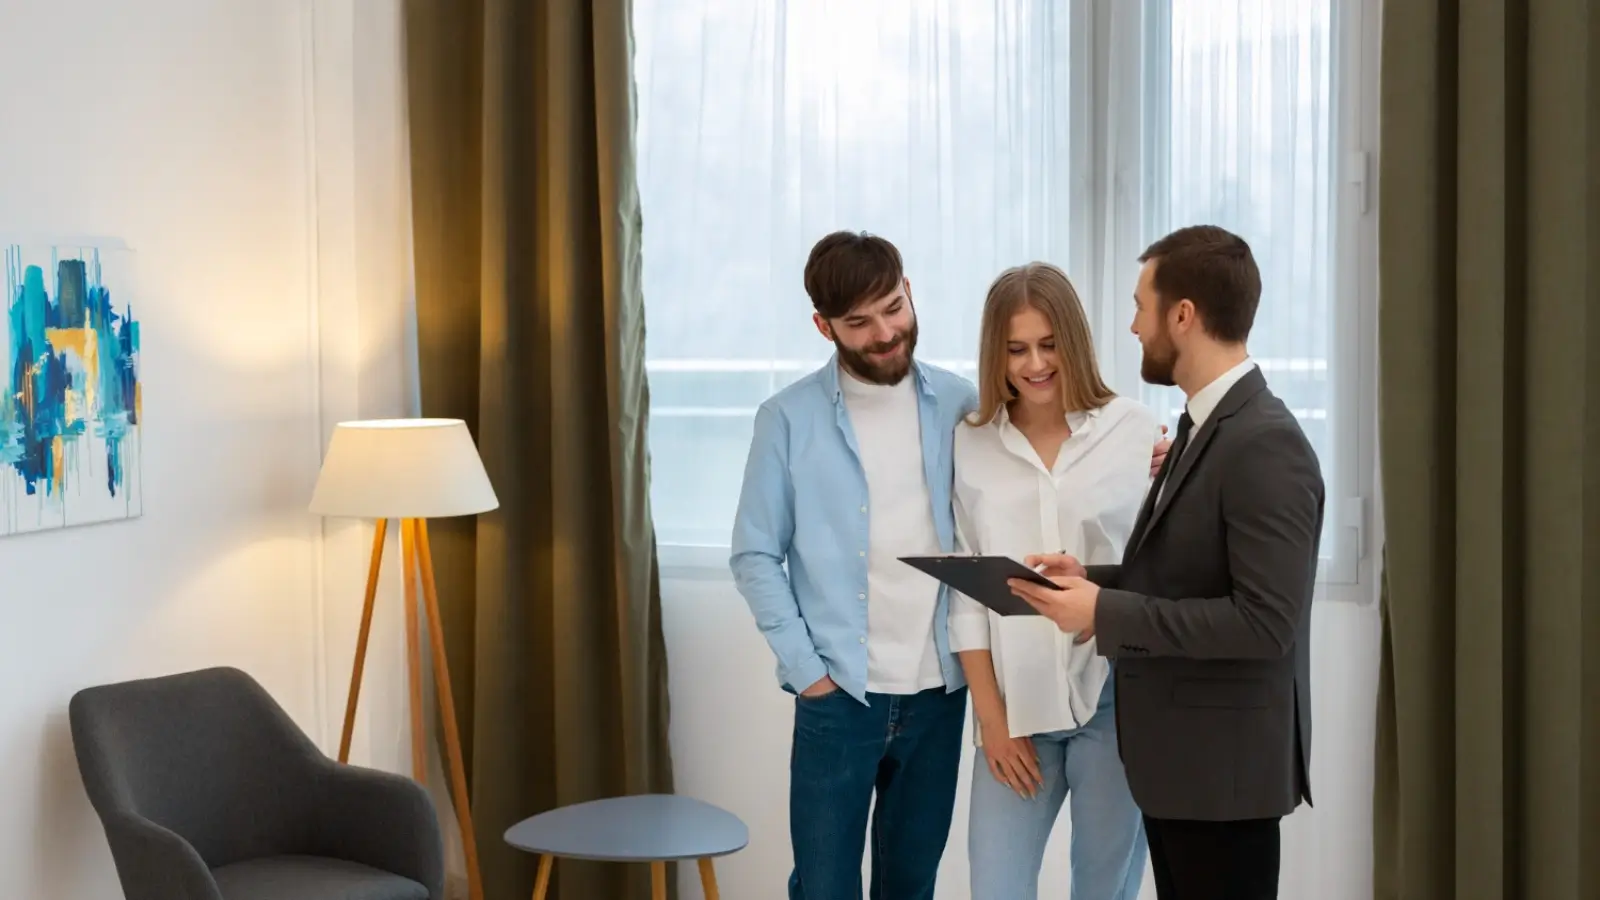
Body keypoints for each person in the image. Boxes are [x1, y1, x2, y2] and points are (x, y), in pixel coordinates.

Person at [729, 231, 1171, 899]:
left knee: (913, 883)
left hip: (942, 695)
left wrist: (1171, 465)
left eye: (893, 307)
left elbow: (1141, 536)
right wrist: (809, 673)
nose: (884, 332)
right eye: (858, 322)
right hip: (843, 693)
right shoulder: (796, 421)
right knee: (823, 885)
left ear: (910, 293)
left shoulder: (964, 407)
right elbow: (755, 553)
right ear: (824, 326)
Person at [1006, 225, 1324, 900]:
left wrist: (1104, 611)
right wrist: (1090, 580)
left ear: (1183, 315)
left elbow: (1266, 623)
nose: (1131, 326)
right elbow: (1188, 580)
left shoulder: (1264, 443)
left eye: (1139, 307)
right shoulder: (1201, 425)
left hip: (1224, 779)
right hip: (1185, 771)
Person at [950, 262, 1155, 900]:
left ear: (1074, 342)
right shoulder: (971, 442)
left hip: (1117, 707)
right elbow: (965, 593)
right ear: (996, 353)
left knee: (1105, 890)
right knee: (997, 887)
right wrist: (991, 718)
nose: (1035, 363)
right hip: (1017, 706)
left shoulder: (1136, 432)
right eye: (1016, 349)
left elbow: (1160, 569)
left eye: (1049, 344)